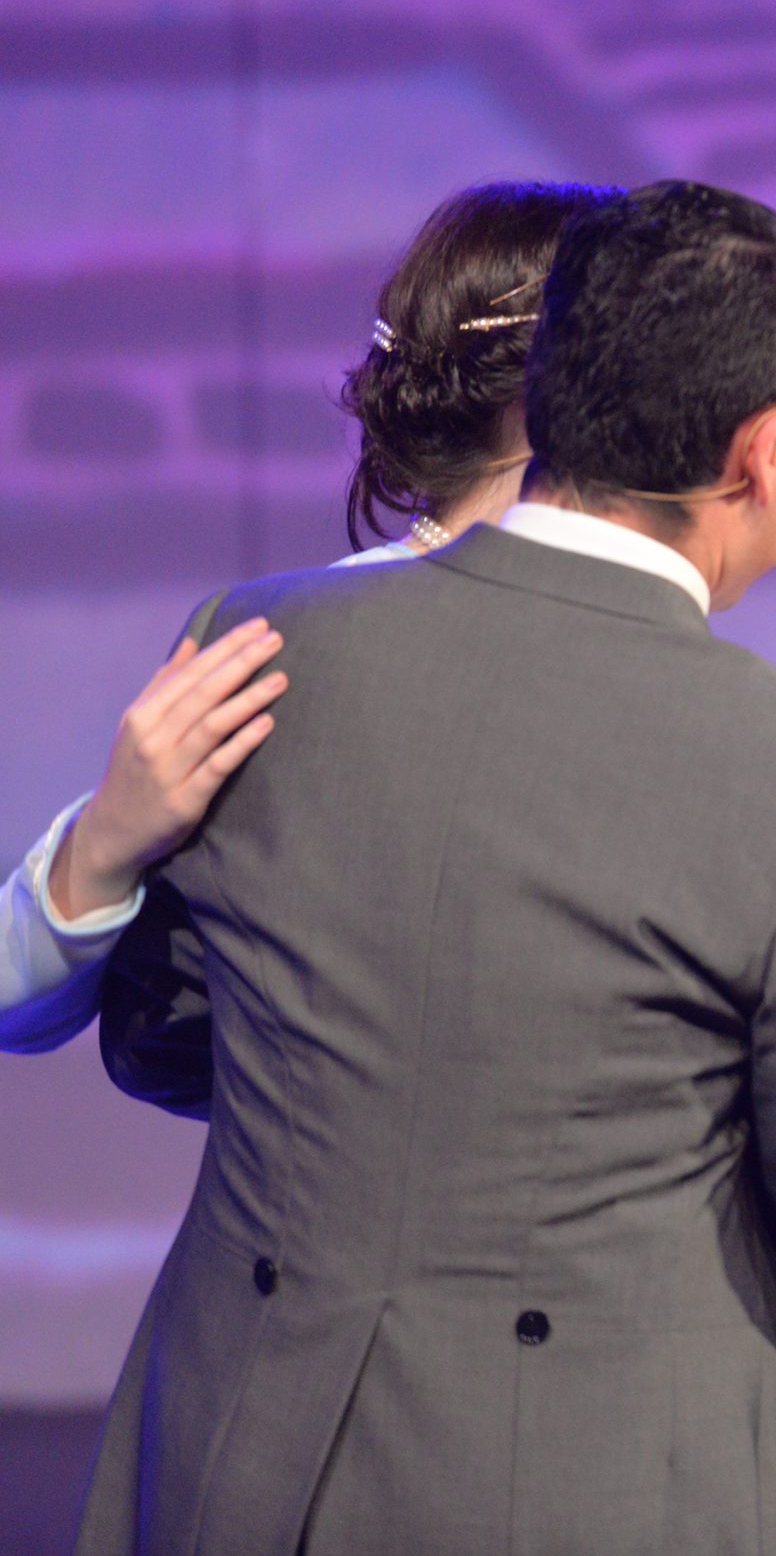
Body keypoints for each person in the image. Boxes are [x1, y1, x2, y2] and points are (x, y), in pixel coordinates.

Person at [78, 180, 776, 1556]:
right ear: (762, 455)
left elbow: (163, 1033)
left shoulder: (258, 648)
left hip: (239, 1461)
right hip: (585, 1490)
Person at [1, 181, 619, 1057]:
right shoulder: (282, 653)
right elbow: (27, 1001)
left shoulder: (651, 655)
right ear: (562, 386)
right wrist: (105, 840)